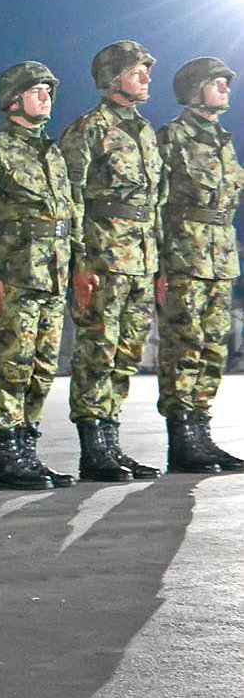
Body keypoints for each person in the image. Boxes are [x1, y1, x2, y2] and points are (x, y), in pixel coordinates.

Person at [0, 61, 78, 490]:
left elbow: (69, 213)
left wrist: (77, 266)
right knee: (11, 366)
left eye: (48, 89)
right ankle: (7, 458)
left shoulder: (53, 152)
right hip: (15, 278)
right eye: (36, 90)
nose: (46, 96)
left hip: (53, 277)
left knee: (43, 369)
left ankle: (28, 452)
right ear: (14, 100)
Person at [58, 41, 167, 481]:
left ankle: (112, 443)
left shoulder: (144, 132)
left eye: (146, 71)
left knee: (126, 355)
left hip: (140, 260)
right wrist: (79, 264)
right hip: (102, 260)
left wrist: (157, 265)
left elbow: (154, 203)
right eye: (137, 71)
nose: (146, 78)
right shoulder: (87, 130)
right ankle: (93, 450)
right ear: (112, 77)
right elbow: (69, 201)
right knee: (96, 352)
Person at [154, 56, 244, 472]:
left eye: (227, 83)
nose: (226, 88)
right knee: (183, 346)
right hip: (184, 257)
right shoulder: (171, 138)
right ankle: (182, 439)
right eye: (217, 83)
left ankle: (201, 432)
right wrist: (159, 265)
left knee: (212, 348)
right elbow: (155, 204)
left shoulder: (223, 140)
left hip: (220, 258)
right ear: (195, 91)